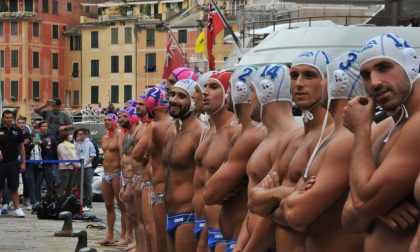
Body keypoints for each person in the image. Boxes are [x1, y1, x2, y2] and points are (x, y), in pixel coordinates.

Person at [275, 50, 367, 251]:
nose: (300, 84)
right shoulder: (332, 137)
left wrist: (284, 197)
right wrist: (290, 196)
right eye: (295, 76)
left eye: (323, 78)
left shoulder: (346, 139)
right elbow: (279, 211)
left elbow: (294, 214)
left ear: (338, 82)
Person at [341, 33, 420, 251]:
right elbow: (349, 219)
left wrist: (359, 131)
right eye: (366, 75)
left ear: (411, 65)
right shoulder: (382, 130)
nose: (374, 82)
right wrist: (380, 207)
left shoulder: (416, 125)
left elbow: (362, 203)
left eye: (384, 67)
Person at [239, 63, 301, 252]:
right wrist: (240, 246)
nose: (249, 99)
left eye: (252, 91)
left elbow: (274, 215)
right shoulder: (268, 136)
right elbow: (253, 202)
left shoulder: (290, 137)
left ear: (265, 91)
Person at [203, 66, 265, 252]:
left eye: (229, 87)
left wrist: (222, 189)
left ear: (241, 90)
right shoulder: (240, 133)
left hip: (239, 240)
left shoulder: (251, 136)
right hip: (229, 236)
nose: (227, 93)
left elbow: (210, 193)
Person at [202, 71, 240, 252]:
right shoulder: (211, 131)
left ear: (228, 93)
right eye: (205, 86)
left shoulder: (235, 132)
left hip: (224, 233)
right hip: (205, 224)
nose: (205, 92)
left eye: (214, 86)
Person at [163, 79, 203, 251]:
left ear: (193, 101)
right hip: (170, 213)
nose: (174, 100)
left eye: (181, 96)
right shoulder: (172, 131)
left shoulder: (199, 132)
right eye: (172, 94)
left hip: (188, 215)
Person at [191, 71, 217, 252]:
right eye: (202, 89)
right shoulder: (208, 131)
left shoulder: (226, 133)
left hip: (215, 224)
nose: (197, 95)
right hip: (199, 217)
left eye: (197, 91)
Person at [146, 87, 172, 252]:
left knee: (161, 241)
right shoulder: (164, 126)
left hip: (162, 192)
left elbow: (137, 154)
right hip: (159, 190)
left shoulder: (158, 128)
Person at [96, 114, 127, 246]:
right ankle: (109, 235)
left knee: (122, 206)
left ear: (115, 122)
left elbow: (123, 156)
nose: (107, 122)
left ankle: (125, 235)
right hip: (106, 174)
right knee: (108, 205)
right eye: (105, 120)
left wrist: (125, 177)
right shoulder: (104, 138)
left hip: (117, 173)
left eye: (109, 120)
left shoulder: (120, 136)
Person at [132, 94, 157, 252]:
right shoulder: (145, 126)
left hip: (150, 180)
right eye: (138, 104)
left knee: (150, 226)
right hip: (139, 177)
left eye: (142, 103)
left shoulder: (152, 126)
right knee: (138, 218)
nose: (139, 106)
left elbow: (138, 154)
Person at [117, 108, 141, 251]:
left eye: (124, 116)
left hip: (133, 178)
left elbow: (136, 162)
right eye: (120, 117)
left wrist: (130, 184)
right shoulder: (127, 135)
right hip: (125, 177)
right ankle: (132, 239)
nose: (120, 119)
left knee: (138, 214)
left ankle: (139, 243)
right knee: (131, 213)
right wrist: (123, 183)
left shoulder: (137, 134)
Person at [0, 110, 26, 217]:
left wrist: (23, 163)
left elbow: (22, 147)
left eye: (11, 117)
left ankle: (17, 208)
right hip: (1, 163)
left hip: (13, 162)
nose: (9, 119)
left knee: (14, 186)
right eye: (7, 117)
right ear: (3, 119)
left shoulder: (18, 130)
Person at [75, 128, 96, 210]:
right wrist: (76, 142)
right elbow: (74, 152)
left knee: (88, 184)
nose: (79, 136)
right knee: (80, 184)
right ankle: (81, 200)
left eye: (80, 134)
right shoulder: (77, 143)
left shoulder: (89, 144)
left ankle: (89, 201)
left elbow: (92, 155)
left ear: (84, 135)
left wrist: (86, 163)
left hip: (87, 167)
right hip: (78, 166)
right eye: (78, 134)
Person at [37, 121, 57, 199]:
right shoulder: (36, 136)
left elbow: (52, 149)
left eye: (46, 126)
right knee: (38, 184)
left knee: (49, 183)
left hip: (49, 163)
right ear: (39, 127)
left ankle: (50, 199)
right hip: (38, 164)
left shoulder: (51, 137)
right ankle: (37, 201)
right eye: (43, 126)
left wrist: (55, 162)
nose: (45, 128)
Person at [56, 131, 79, 197]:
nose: (70, 136)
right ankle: (59, 198)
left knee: (70, 185)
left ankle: (68, 199)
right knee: (64, 184)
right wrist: (74, 163)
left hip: (72, 167)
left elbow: (74, 153)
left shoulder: (70, 145)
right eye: (69, 135)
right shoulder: (61, 145)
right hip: (65, 168)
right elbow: (65, 156)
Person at [17, 116, 32, 209]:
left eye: (23, 123)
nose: (21, 124)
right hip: (14, 160)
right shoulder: (13, 133)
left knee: (26, 181)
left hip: (26, 160)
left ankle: (26, 199)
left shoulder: (28, 135)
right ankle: (13, 201)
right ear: (17, 123)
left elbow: (31, 149)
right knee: (14, 181)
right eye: (20, 123)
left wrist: (28, 144)